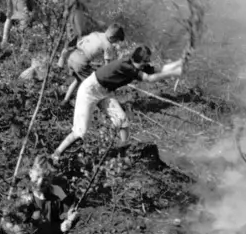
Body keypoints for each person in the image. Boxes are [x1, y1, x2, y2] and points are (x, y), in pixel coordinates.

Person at [53, 45, 183, 158]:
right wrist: (175, 72)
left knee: (122, 121)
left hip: (104, 92)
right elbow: (149, 79)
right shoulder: (127, 66)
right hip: (89, 90)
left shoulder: (135, 64)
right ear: (140, 60)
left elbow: (156, 69)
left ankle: (122, 151)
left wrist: (179, 63)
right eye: (146, 61)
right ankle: (56, 153)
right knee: (80, 132)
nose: (147, 63)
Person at [62, 23, 123, 103]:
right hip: (81, 63)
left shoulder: (96, 33)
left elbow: (80, 42)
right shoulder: (108, 45)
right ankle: (86, 104)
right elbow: (107, 68)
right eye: (116, 41)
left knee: (77, 80)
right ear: (112, 37)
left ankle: (64, 101)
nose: (115, 43)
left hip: (72, 56)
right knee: (92, 85)